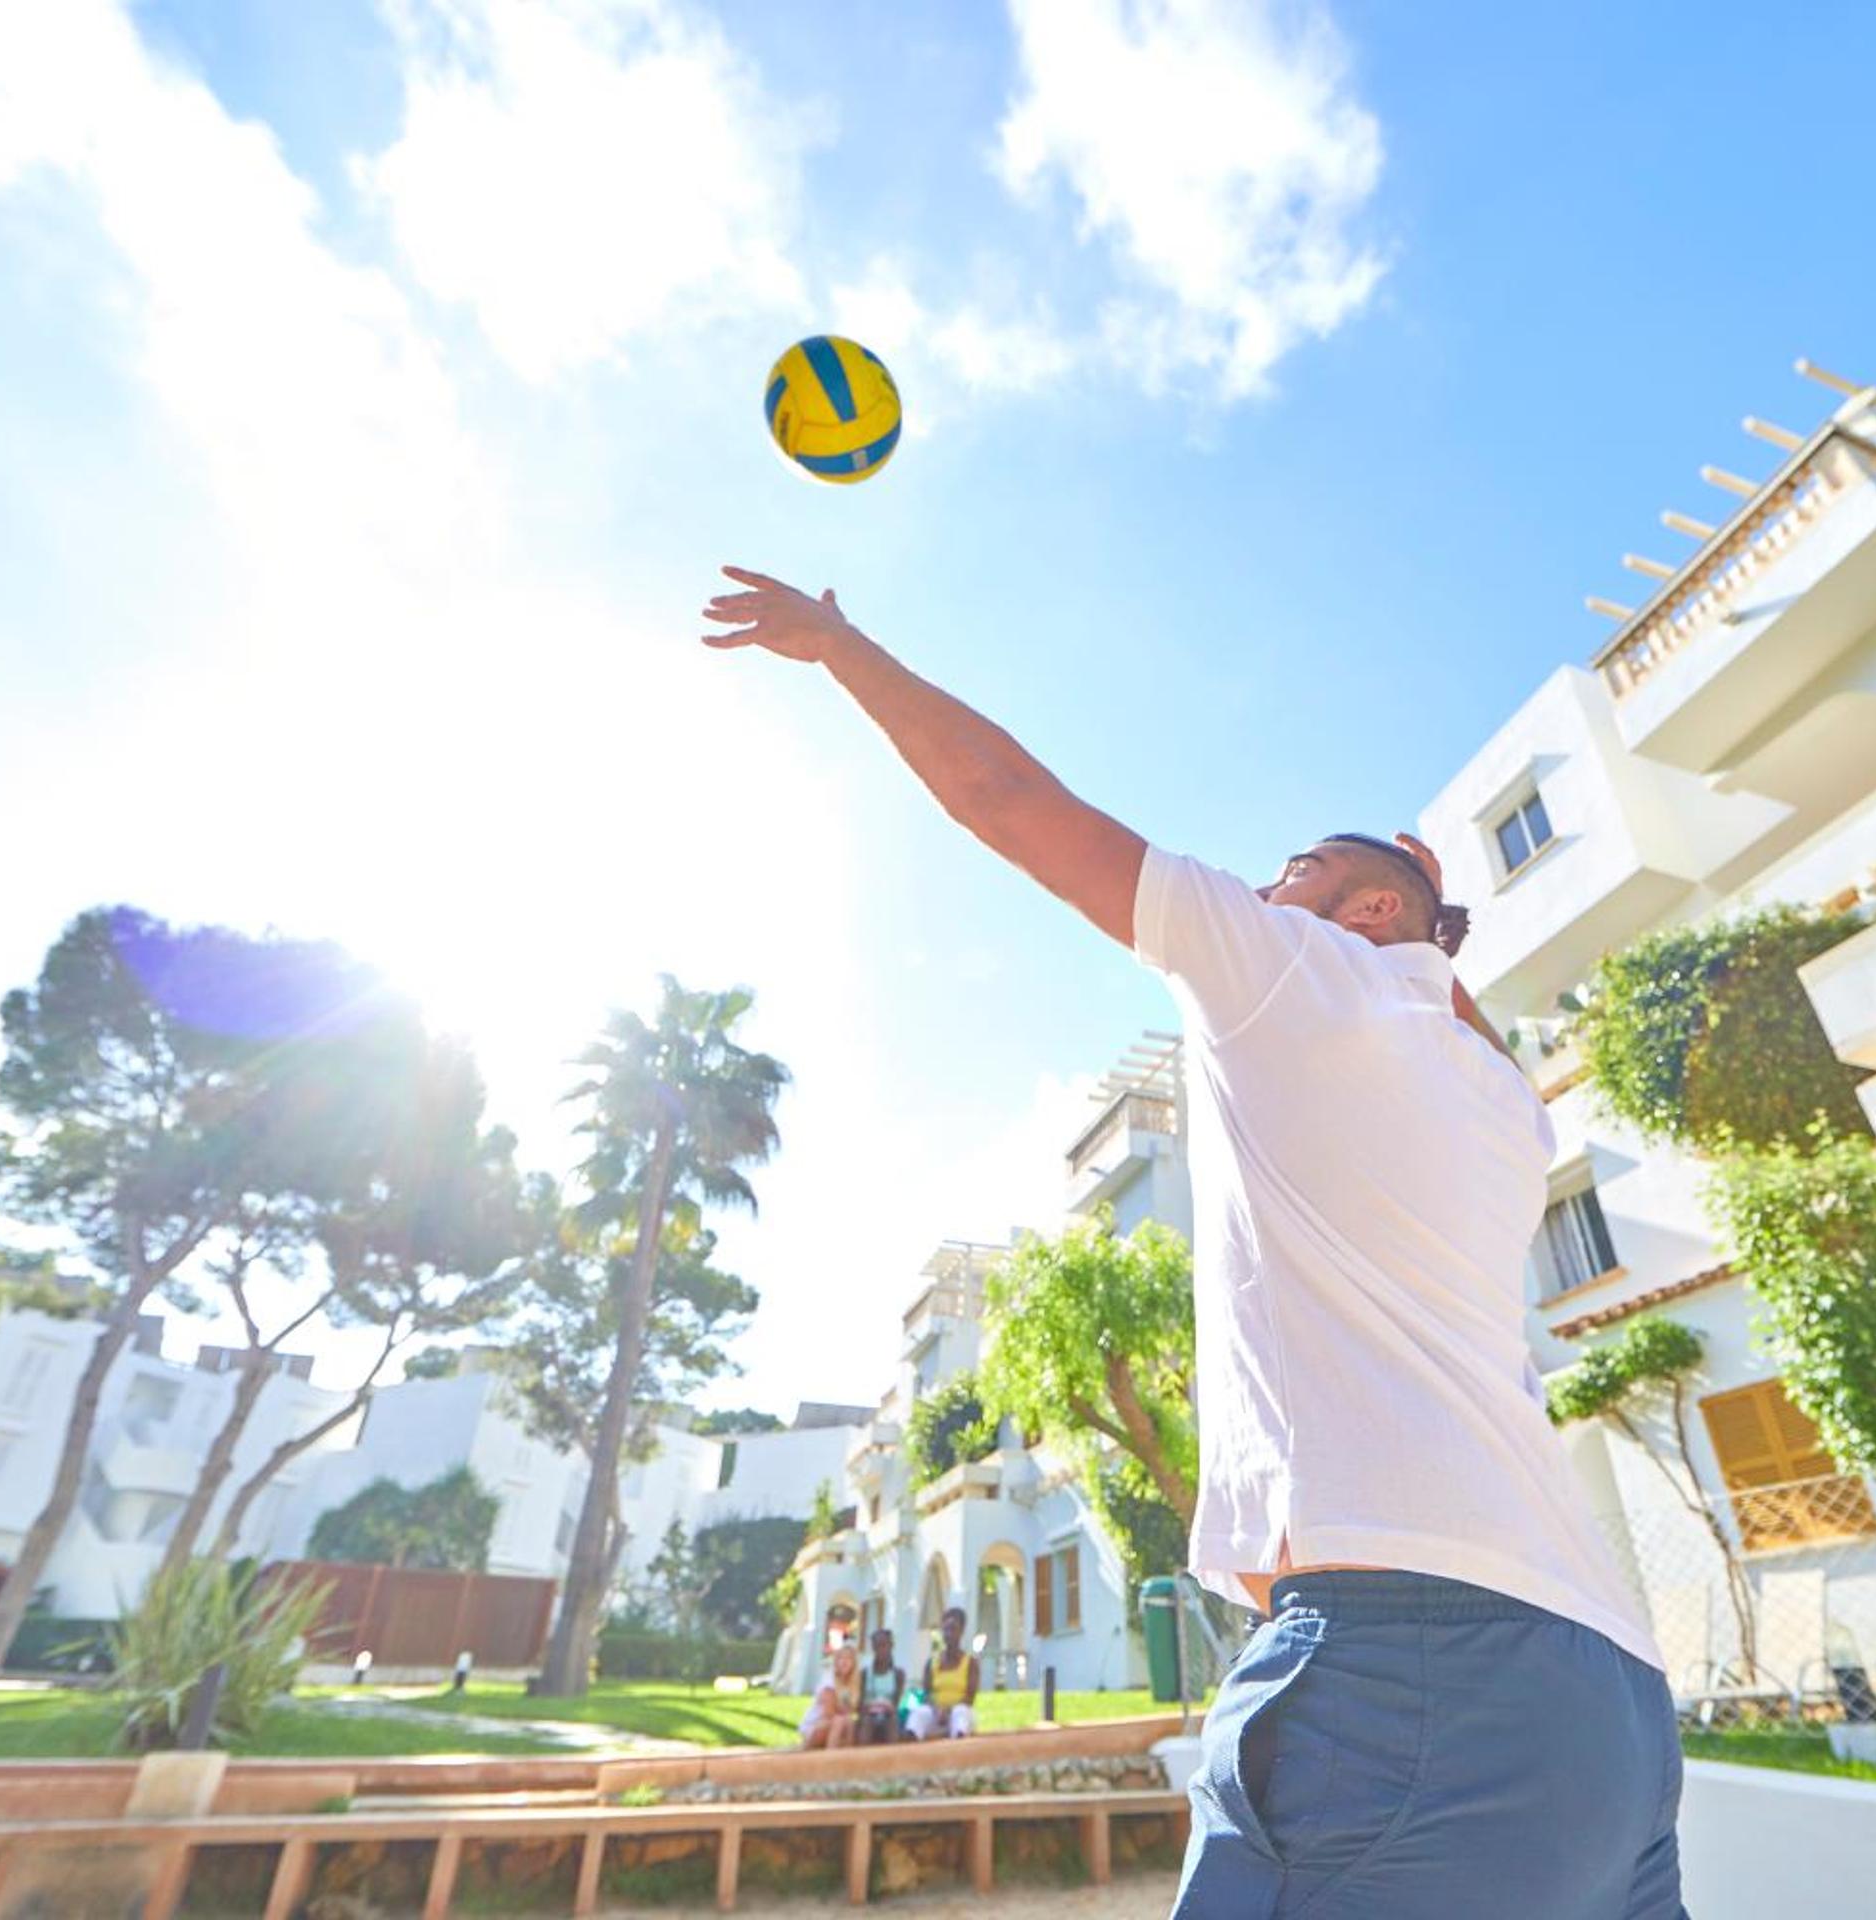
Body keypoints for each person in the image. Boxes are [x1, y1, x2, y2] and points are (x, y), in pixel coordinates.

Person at [702, 570, 1686, 1917]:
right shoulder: (1505, 1099)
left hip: (1409, 1665)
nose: (1265, 888)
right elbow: (1445, 996)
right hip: (1613, 1700)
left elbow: (1008, 802)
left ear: (1366, 915)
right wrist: (1422, 907)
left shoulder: (1289, 970)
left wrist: (842, 647)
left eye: (1299, 873)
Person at [905, 1606, 979, 1741]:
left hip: (959, 1714)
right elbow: (926, 1694)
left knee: (960, 1712)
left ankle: (959, 1743)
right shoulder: (931, 1662)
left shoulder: (970, 1663)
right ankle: (912, 1743)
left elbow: (970, 1698)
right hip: (937, 1715)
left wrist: (948, 1710)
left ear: (961, 1631)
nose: (948, 1634)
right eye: (945, 1630)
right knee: (919, 1713)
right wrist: (937, 1710)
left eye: (953, 1629)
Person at [798, 1641, 863, 1751]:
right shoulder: (829, 1682)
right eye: (841, 1658)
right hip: (815, 1726)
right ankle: (830, 1755)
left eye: (848, 1659)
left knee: (850, 1723)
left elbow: (852, 1710)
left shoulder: (852, 1683)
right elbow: (829, 1714)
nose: (844, 1662)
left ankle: (848, 1757)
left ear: (854, 1663)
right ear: (836, 1662)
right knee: (839, 1721)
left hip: (835, 1726)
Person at [858, 1626, 908, 1745]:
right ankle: (862, 1754)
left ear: (891, 1646)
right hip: (869, 1713)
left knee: (892, 1721)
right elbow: (860, 1701)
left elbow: (897, 1702)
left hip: (889, 1713)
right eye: (877, 1646)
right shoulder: (865, 1673)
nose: (881, 1650)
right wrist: (871, 1706)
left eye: (884, 1645)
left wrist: (887, 1706)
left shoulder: (898, 1674)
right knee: (867, 1723)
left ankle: (892, 1754)